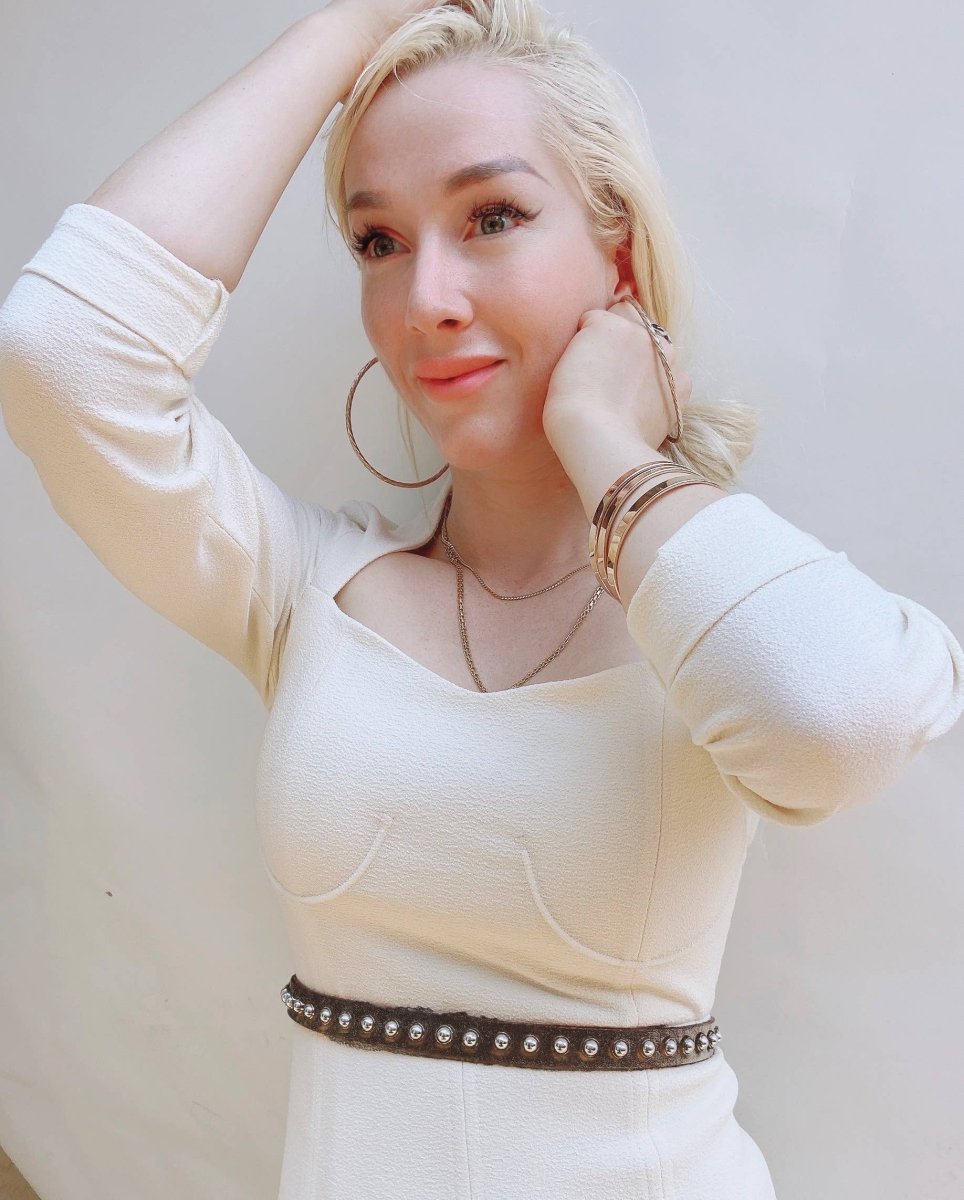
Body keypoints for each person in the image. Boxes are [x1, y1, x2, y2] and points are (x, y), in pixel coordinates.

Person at [0, 1, 961, 1197]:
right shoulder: (300, 587)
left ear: (616, 255)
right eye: (377, 240)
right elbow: (62, 355)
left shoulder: (716, 595)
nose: (425, 299)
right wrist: (352, 26)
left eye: (491, 217)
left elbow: (843, 720)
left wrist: (607, 441)